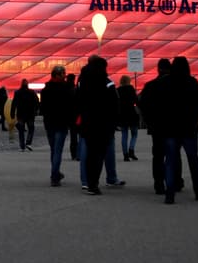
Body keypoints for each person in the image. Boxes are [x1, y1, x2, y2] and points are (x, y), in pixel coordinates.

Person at [162, 57, 198, 204]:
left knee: (170, 161)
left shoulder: (166, 82)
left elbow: (159, 103)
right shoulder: (192, 82)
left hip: (170, 127)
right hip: (188, 127)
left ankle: (169, 193)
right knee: (193, 158)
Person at [76, 56, 119, 196]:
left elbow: (77, 101)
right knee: (99, 154)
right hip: (103, 124)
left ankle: (88, 182)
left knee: (89, 153)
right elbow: (114, 105)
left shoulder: (82, 82)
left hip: (87, 122)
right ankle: (94, 184)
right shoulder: (106, 83)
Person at [139, 58, 181, 195]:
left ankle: (158, 184)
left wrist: (149, 121)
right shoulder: (177, 85)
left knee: (158, 155)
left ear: (158, 69)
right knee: (174, 154)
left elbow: (142, 104)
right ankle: (176, 182)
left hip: (157, 127)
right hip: (174, 125)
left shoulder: (151, 85)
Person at [38, 65, 75, 186]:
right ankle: (54, 176)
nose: (65, 75)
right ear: (57, 75)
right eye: (63, 73)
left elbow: (42, 108)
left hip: (49, 123)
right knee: (57, 150)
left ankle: (56, 172)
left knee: (54, 149)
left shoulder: (45, 89)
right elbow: (71, 106)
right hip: (62, 123)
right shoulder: (66, 88)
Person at [11, 79, 39, 152]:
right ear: (27, 85)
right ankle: (28, 143)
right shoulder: (32, 92)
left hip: (21, 114)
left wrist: (12, 113)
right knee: (31, 129)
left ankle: (22, 146)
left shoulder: (17, 92)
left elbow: (14, 103)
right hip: (30, 114)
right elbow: (36, 102)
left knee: (21, 130)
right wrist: (36, 110)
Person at [117, 75, 139, 161]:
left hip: (122, 115)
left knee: (124, 135)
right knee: (134, 134)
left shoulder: (118, 90)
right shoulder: (131, 89)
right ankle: (131, 150)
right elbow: (136, 101)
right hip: (131, 113)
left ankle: (125, 154)